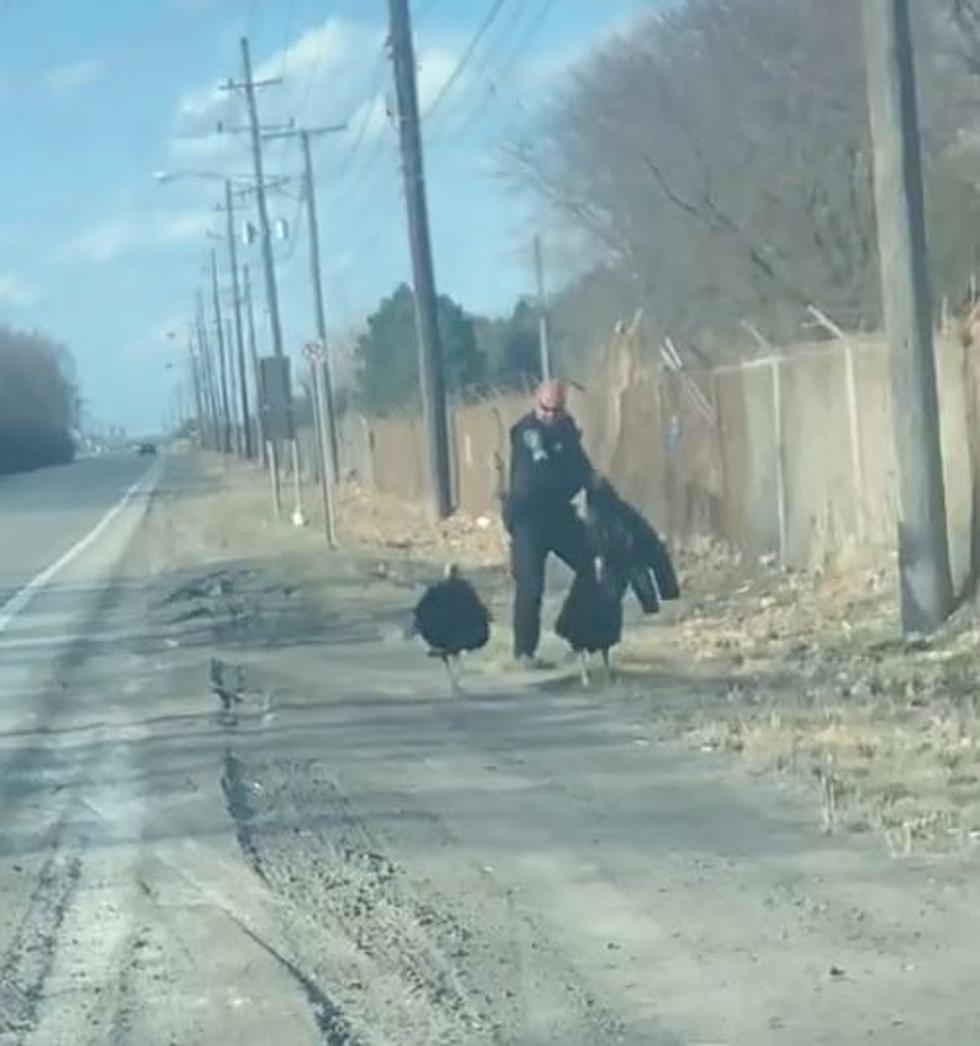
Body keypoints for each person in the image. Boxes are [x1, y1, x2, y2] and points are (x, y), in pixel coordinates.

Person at [502, 378, 596, 668]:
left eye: (557, 411)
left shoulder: (567, 432)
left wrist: (597, 490)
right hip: (528, 518)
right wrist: (571, 476)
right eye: (546, 409)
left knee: (593, 564)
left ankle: (572, 628)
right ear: (536, 403)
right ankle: (524, 654)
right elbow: (544, 472)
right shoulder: (527, 432)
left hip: (558, 516)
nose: (550, 416)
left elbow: (584, 471)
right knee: (530, 586)